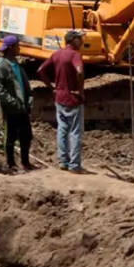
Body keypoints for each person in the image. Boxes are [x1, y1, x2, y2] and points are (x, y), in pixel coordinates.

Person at [38, 30, 85, 173]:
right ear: (71, 40)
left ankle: (63, 161)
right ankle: (74, 165)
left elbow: (40, 70)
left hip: (59, 97)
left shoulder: (57, 54)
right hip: (72, 97)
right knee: (75, 132)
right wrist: (80, 91)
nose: (81, 42)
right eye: (78, 39)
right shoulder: (74, 55)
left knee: (62, 129)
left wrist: (51, 87)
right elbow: (79, 70)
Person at [0, 35, 34, 171]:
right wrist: (12, 102)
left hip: (22, 107)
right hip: (11, 109)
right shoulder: (0, 65)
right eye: (17, 46)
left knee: (26, 135)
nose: (19, 48)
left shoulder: (16, 63)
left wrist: (28, 100)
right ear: (11, 48)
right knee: (11, 136)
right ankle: (11, 163)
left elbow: (25, 85)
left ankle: (25, 162)